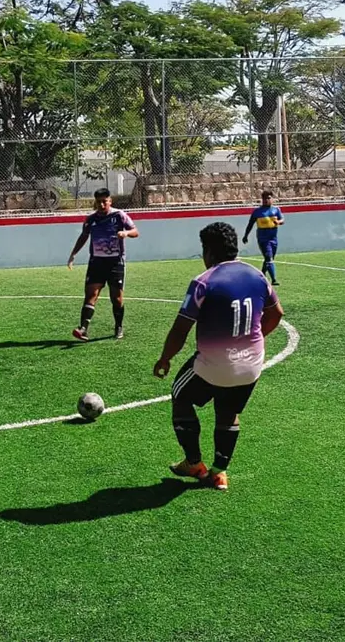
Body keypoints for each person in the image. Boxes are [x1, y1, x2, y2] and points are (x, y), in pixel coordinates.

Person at [153, 222, 285, 491]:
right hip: (251, 365)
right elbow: (277, 314)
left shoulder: (204, 281)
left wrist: (165, 358)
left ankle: (194, 463)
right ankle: (220, 472)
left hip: (213, 366)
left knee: (180, 396)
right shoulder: (257, 276)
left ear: (209, 251)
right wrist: (254, 341)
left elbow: (180, 329)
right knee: (228, 412)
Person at [66, 188, 139, 341]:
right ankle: (83, 329)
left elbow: (135, 231)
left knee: (117, 298)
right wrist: (73, 254)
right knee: (91, 295)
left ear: (110, 201)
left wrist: (125, 233)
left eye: (104, 201)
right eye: (98, 201)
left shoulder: (119, 215)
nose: (101, 204)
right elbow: (84, 236)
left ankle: (118, 326)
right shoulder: (91, 219)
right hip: (96, 262)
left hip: (115, 262)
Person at [242, 190, 285, 285]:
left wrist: (279, 222)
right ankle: (273, 280)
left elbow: (282, 220)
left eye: (268, 198)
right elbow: (250, 224)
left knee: (269, 258)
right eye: (264, 198)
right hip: (263, 239)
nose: (266, 200)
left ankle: (262, 273)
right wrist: (246, 235)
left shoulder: (276, 210)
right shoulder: (257, 212)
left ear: (272, 199)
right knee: (269, 258)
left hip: (273, 238)